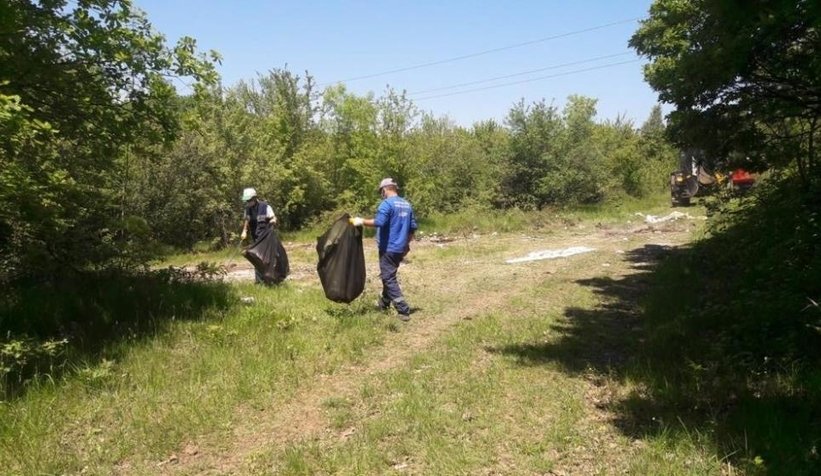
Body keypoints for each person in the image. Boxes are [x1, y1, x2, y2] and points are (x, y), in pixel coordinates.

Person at [350, 178, 417, 321]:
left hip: (388, 248)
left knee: (388, 277)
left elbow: (380, 222)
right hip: (399, 248)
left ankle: (403, 310)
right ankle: (385, 303)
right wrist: (406, 245)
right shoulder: (406, 204)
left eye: (381, 191)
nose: (382, 194)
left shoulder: (386, 204)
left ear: (385, 189)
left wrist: (360, 221)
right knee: (389, 274)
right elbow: (412, 228)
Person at [240, 187, 277, 284]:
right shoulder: (247, 209)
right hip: (256, 239)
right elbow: (247, 221)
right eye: (246, 200)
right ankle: (259, 282)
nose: (248, 202)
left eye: (249, 200)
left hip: (266, 238)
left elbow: (273, 218)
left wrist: (273, 221)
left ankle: (271, 280)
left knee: (268, 259)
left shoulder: (265, 207)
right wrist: (244, 231)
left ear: (254, 198)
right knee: (257, 259)